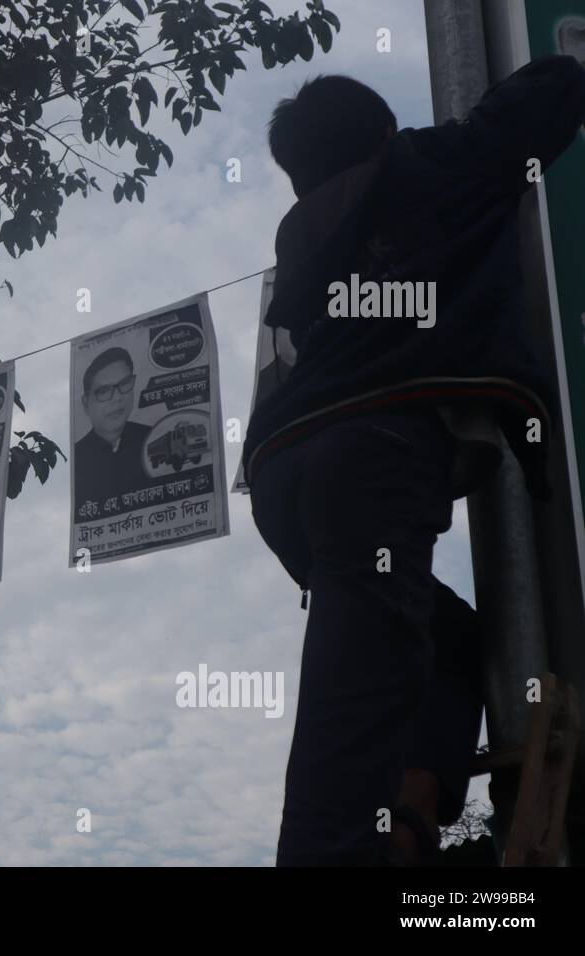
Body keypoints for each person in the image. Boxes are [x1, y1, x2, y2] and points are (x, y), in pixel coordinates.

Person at [242, 57, 585, 865]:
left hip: (286, 476)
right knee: (344, 736)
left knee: (444, 642)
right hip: (371, 461)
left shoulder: (303, 234)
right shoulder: (426, 166)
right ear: (385, 133)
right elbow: (556, 90)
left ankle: (410, 820)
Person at [73, 347, 152, 517]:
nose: (117, 398)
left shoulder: (153, 437)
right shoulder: (77, 457)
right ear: (86, 403)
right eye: (104, 391)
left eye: (124, 384)